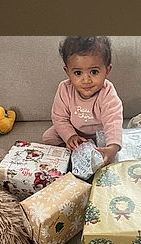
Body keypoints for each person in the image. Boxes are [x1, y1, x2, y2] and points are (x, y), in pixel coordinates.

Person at [41, 36, 122, 165]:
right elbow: (59, 118)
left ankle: (97, 151)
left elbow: (113, 121)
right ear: (67, 72)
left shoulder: (107, 92)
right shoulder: (64, 89)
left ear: (107, 70)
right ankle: (71, 153)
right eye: (78, 73)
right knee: (48, 137)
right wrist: (70, 136)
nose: (86, 80)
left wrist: (113, 146)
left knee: (115, 145)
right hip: (74, 130)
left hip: (99, 133)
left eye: (94, 72)